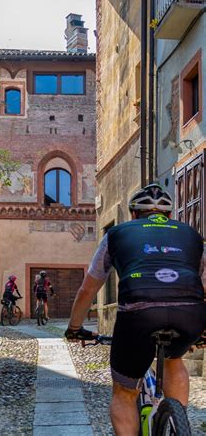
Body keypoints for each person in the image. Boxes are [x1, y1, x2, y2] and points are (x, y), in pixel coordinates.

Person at [64, 183, 206, 435]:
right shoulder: (193, 236)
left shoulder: (117, 234)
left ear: (132, 214)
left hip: (138, 314)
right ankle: (177, 424)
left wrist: (75, 328)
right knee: (174, 359)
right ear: (170, 216)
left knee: (125, 390)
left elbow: (88, 289)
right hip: (189, 313)